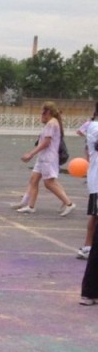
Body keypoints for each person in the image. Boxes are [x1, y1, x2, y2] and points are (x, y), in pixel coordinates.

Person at [15, 102, 75, 217]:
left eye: (42, 112)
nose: (41, 115)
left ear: (48, 112)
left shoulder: (52, 124)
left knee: (49, 183)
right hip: (43, 157)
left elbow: (46, 143)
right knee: (34, 179)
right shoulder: (51, 123)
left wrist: (30, 153)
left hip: (48, 158)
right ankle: (30, 205)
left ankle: (68, 203)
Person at [75, 102, 98, 260]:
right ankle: (88, 247)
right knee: (95, 216)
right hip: (97, 180)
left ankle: (89, 247)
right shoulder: (94, 127)